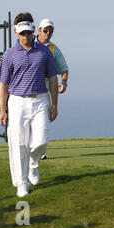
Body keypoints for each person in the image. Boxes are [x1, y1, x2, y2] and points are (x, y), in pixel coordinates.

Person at [0, 12, 58, 197]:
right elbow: (3, 84)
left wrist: (54, 104)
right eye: (22, 33)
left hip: (40, 99)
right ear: (16, 32)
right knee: (19, 143)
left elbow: (53, 79)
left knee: (41, 141)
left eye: (28, 33)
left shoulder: (44, 51)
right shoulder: (9, 54)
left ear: (33, 30)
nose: (25, 37)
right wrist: (2, 110)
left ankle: (33, 164)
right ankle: (21, 182)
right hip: (16, 101)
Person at [36, 18, 69, 160]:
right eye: (45, 30)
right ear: (39, 31)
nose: (48, 33)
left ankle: (41, 151)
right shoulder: (28, 44)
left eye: (51, 31)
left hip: (48, 84)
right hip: (30, 85)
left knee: (44, 117)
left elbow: (64, 68)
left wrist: (64, 82)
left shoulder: (54, 49)